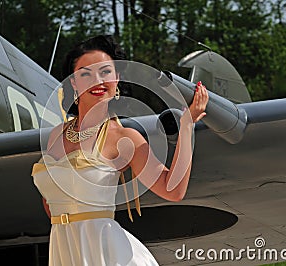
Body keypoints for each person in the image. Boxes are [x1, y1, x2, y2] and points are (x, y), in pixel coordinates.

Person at [31, 35, 209, 266]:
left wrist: (186, 126)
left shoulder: (125, 138)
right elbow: (51, 201)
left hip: (108, 255)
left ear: (116, 78)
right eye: (85, 73)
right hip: (64, 251)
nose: (97, 81)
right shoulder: (56, 135)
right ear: (73, 82)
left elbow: (172, 190)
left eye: (105, 72)